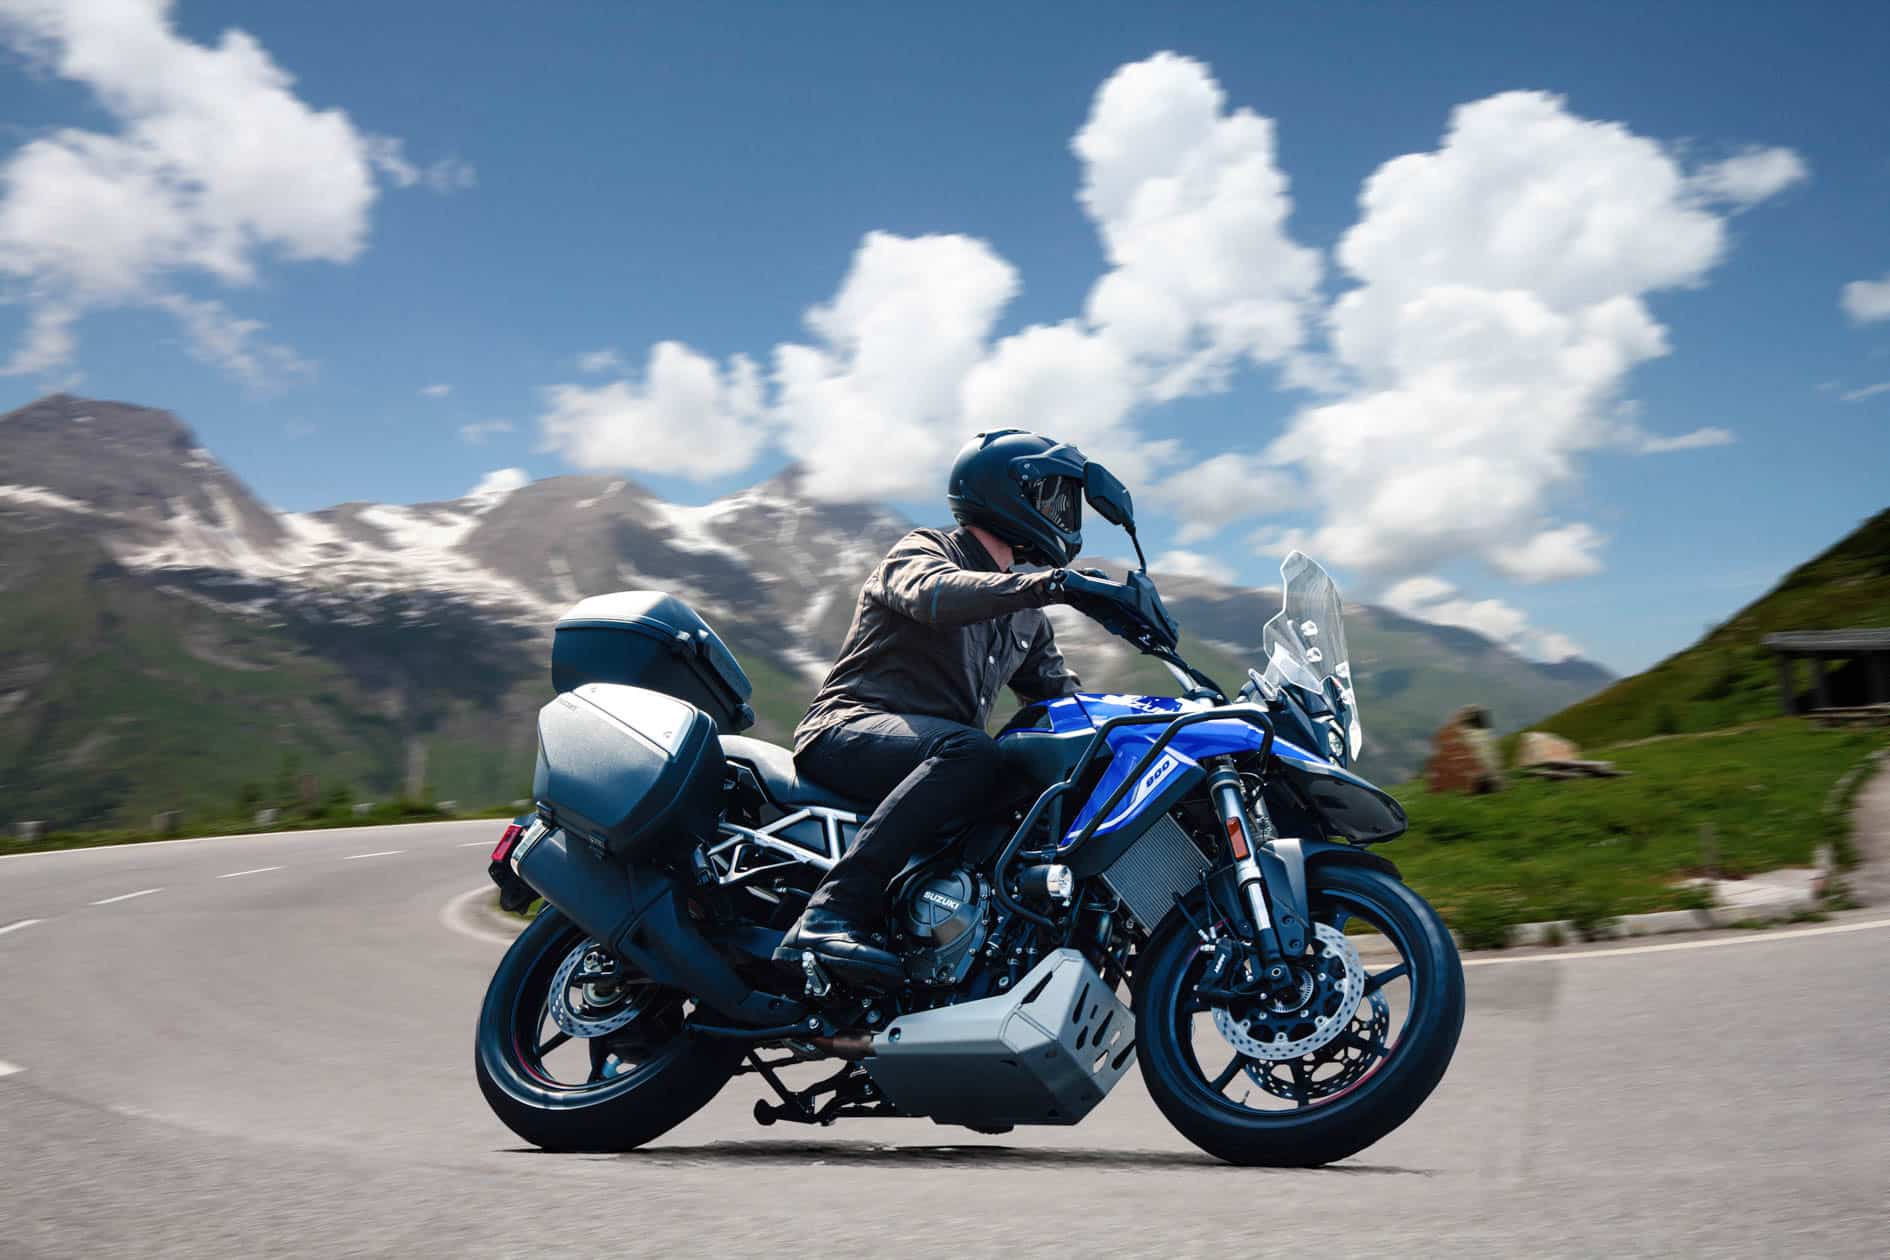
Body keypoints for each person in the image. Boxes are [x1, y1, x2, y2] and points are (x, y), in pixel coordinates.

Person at [778, 429, 1093, 983]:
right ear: (1007, 493)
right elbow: (935, 595)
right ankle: (828, 915)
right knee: (972, 752)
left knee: (1032, 782)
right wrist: (1052, 585)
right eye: (1052, 497)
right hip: (845, 729)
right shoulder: (925, 551)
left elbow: (1067, 704)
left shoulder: (1026, 616)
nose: (1062, 514)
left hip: (935, 761)